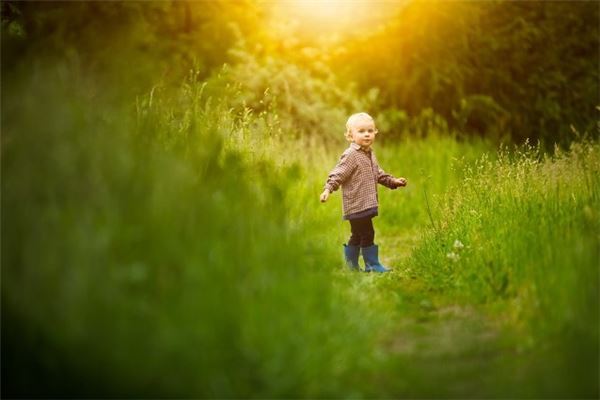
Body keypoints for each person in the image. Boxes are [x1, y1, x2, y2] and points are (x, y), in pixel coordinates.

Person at [320, 112, 407, 273]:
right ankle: (372, 265)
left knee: (358, 234)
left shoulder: (369, 153)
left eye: (370, 130)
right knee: (367, 232)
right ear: (350, 135)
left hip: (365, 203)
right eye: (361, 131)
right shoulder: (351, 155)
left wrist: (393, 181)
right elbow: (338, 173)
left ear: (375, 132)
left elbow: (378, 174)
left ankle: (351, 266)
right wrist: (328, 189)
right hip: (356, 204)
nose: (366, 134)